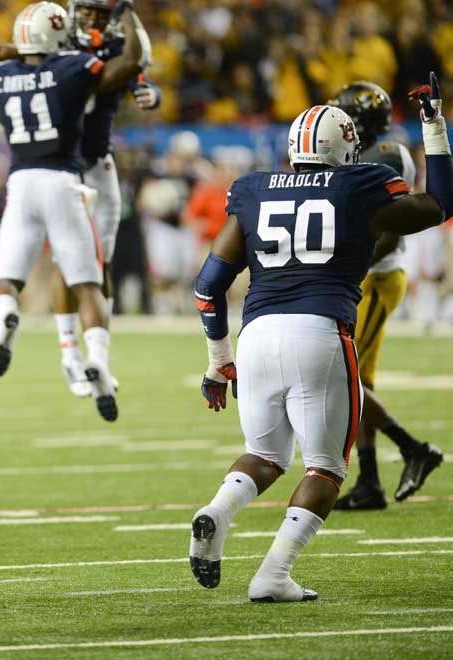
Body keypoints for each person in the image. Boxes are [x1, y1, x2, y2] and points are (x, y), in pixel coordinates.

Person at [188, 75, 453, 602]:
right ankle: (273, 574)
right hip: (321, 330)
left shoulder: (253, 189)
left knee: (264, 456)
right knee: (327, 468)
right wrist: (434, 126)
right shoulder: (361, 185)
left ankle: (216, 510)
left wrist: (219, 360)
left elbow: (207, 287)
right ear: (348, 148)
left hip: (256, 334)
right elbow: (440, 204)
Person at [0, 0, 158, 397]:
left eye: (101, 13)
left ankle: (82, 354)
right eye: (86, 11)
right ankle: (74, 355)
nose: (91, 19)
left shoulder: (56, 53)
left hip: (73, 165)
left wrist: (146, 89)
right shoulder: (70, 55)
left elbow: (134, 74)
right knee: (76, 267)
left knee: (90, 266)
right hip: (64, 171)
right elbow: (4, 51)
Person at [327, 81, 444, 510]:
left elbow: (390, 231)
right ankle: (371, 482)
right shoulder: (364, 151)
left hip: (375, 278)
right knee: (356, 381)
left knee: (345, 380)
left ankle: (412, 449)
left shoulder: (385, 155)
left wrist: (346, 265)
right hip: (364, 278)